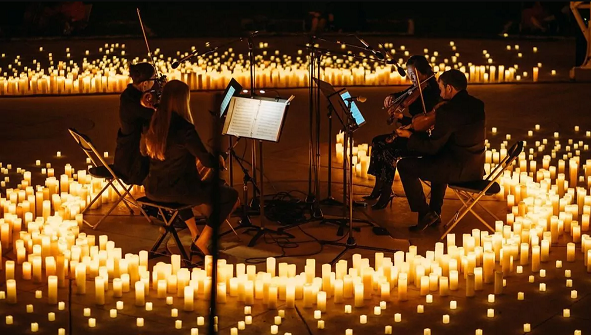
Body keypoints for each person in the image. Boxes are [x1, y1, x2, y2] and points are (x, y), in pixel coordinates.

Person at [142, 80, 239, 255]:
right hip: (178, 193)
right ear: (183, 101)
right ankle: (203, 241)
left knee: (181, 182)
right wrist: (218, 158)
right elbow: (207, 161)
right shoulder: (184, 128)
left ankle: (195, 233)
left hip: (153, 189)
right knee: (229, 195)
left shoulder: (155, 122)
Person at [395, 69, 486, 231]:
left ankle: (426, 213)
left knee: (404, 166)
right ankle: (435, 212)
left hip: (459, 171)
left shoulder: (448, 111)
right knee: (439, 160)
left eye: (441, 88)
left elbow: (431, 147)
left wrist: (410, 136)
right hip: (475, 168)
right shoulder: (478, 105)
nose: (440, 92)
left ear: (450, 88)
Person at [365, 55, 441, 210]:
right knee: (377, 141)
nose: (411, 78)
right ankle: (379, 187)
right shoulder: (417, 88)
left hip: (421, 138)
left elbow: (420, 124)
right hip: (411, 132)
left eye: (414, 75)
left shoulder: (432, 93)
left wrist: (402, 118)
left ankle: (386, 192)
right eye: (409, 75)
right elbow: (405, 94)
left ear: (424, 73)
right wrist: (392, 97)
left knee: (388, 150)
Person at [113, 62, 157, 186]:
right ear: (145, 84)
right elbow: (153, 115)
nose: (155, 83)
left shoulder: (130, 94)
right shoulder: (133, 102)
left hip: (125, 155)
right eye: (153, 80)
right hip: (131, 163)